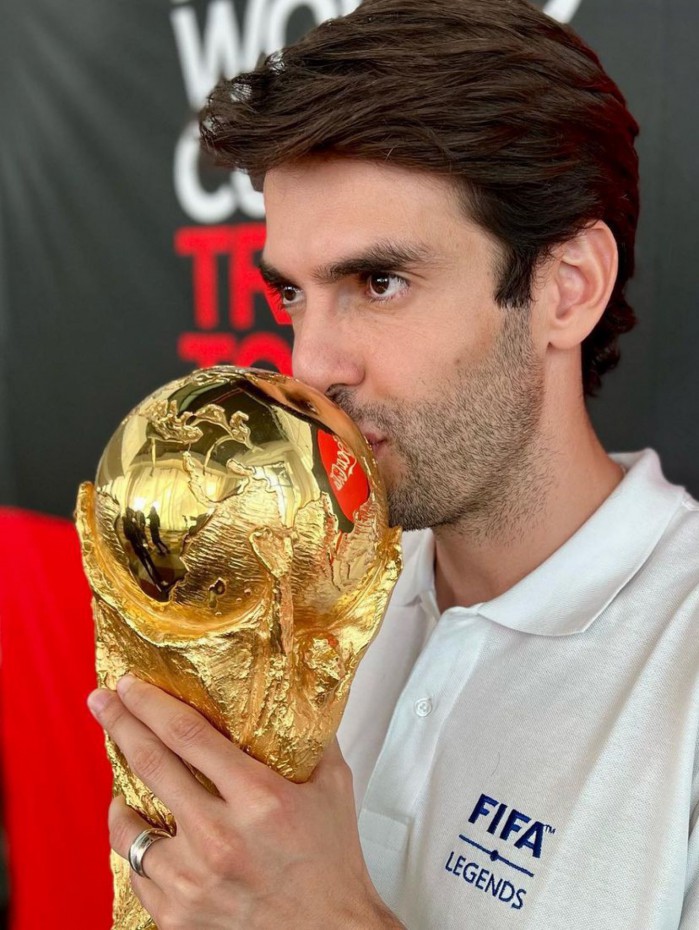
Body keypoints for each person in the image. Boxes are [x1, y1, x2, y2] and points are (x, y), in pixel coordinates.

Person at [86, 1, 699, 926]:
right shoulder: (300, 579)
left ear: (567, 288)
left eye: (378, 283)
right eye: (293, 294)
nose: (311, 366)